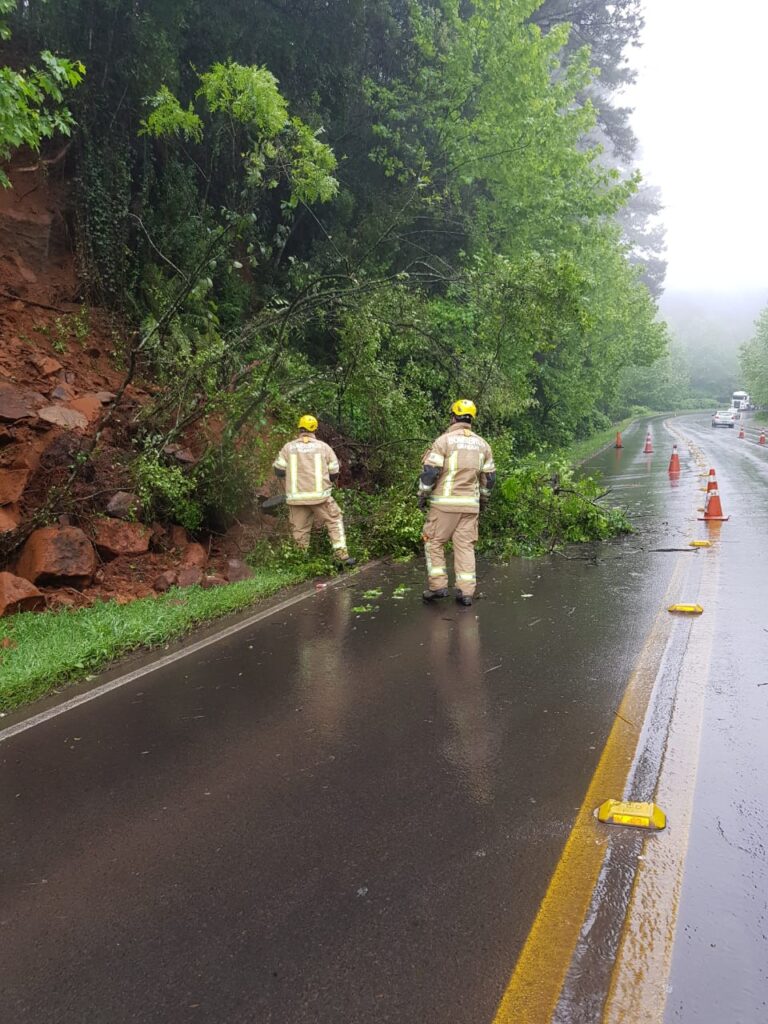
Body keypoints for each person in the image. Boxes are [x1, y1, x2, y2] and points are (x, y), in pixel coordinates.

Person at [418, 399, 496, 606]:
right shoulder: (483, 445)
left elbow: (430, 472)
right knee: (465, 546)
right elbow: (489, 479)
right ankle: (466, 592)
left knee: (433, 542)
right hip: (470, 506)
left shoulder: (443, 441)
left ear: (453, 417)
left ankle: (437, 586)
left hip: (444, 505)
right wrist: (483, 500)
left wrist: (423, 494)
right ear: (471, 419)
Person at [273, 415, 355, 567]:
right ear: (315, 429)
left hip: (296, 499)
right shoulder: (323, 448)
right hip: (320, 498)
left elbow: (278, 470)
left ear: (299, 428)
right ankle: (342, 556)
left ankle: (300, 562)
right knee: (334, 520)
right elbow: (334, 472)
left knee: (299, 531)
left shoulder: (288, 448)